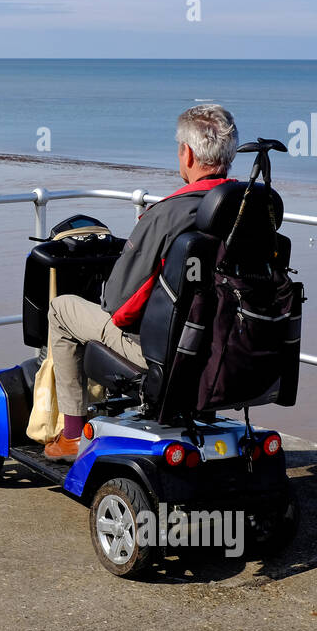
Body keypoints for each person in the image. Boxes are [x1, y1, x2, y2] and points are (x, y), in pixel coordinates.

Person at [42, 103, 239, 461]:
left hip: (163, 351)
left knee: (62, 309)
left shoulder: (168, 214)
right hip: (226, 346)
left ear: (189, 153)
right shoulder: (247, 209)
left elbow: (118, 303)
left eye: (180, 148)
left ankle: (72, 436)